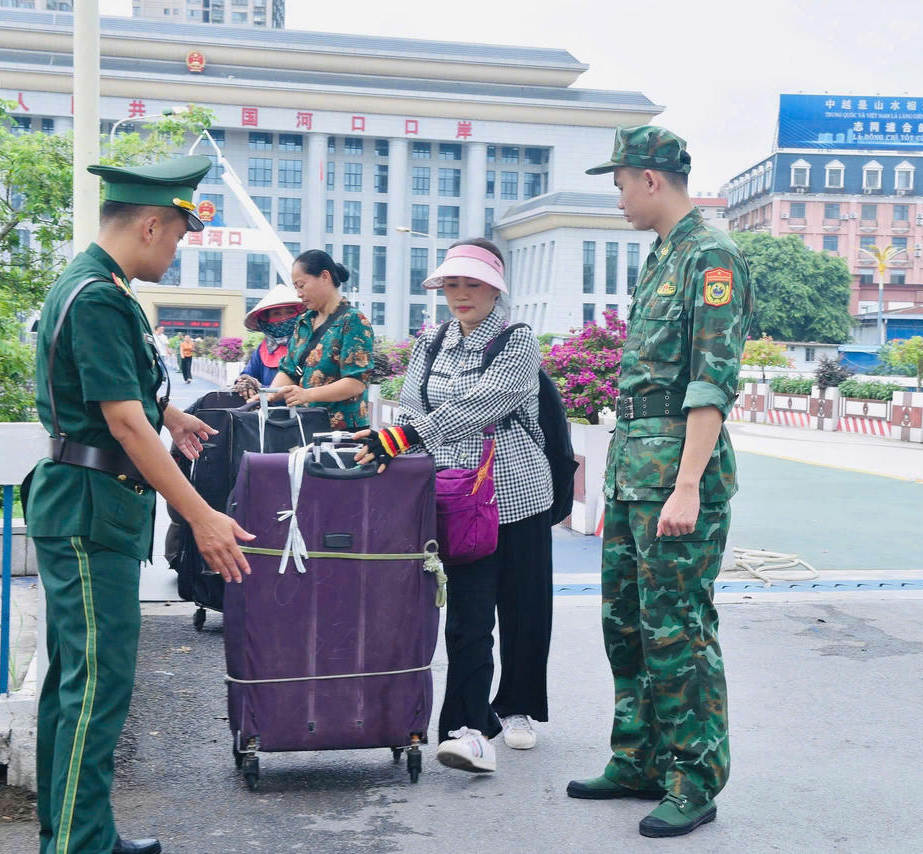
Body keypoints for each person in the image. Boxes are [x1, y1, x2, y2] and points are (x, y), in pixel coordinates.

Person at [25, 155, 255, 854]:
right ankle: (75, 846)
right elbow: (120, 422)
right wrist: (200, 514)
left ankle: (83, 832)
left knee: (78, 682)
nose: (179, 248)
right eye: (179, 235)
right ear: (151, 223)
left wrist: (171, 414)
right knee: (95, 689)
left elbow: (121, 394)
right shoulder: (97, 295)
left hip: (95, 505)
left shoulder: (102, 288)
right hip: (90, 508)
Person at [567, 126, 753, 838]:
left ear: (651, 179)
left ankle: (693, 779)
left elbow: (711, 383)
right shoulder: (662, 257)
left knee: (679, 631)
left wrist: (687, 486)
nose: (617, 197)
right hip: (634, 470)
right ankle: (640, 757)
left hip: (676, 475)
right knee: (626, 625)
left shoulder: (711, 257)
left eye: (619, 183)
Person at [354, 238, 554, 774]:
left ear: (495, 288)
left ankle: (517, 707)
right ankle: (468, 729)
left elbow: (489, 401)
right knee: (468, 618)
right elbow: (414, 405)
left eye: (473, 284)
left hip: (516, 493)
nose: (461, 294)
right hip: (457, 498)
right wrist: (404, 438)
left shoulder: (517, 340)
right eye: (452, 284)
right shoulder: (431, 342)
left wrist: (407, 434)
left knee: (523, 610)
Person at [261, 249, 375, 430]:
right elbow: (290, 369)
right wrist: (268, 395)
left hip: (343, 433)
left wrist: (307, 395)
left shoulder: (353, 321)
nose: (298, 293)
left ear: (324, 277)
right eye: (295, 287)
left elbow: (356, 383)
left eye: (301, 285)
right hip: (304, 426)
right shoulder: (304, 321)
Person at [232, 284, 305, 400]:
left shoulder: (306, 343)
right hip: (267, 413)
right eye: (276, 314)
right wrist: (246, 383)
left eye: (289, 312)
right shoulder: (263, 348)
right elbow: (247, 374)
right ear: (265, 320)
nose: (284, 318)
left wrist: (262, 388)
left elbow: (302, 388)